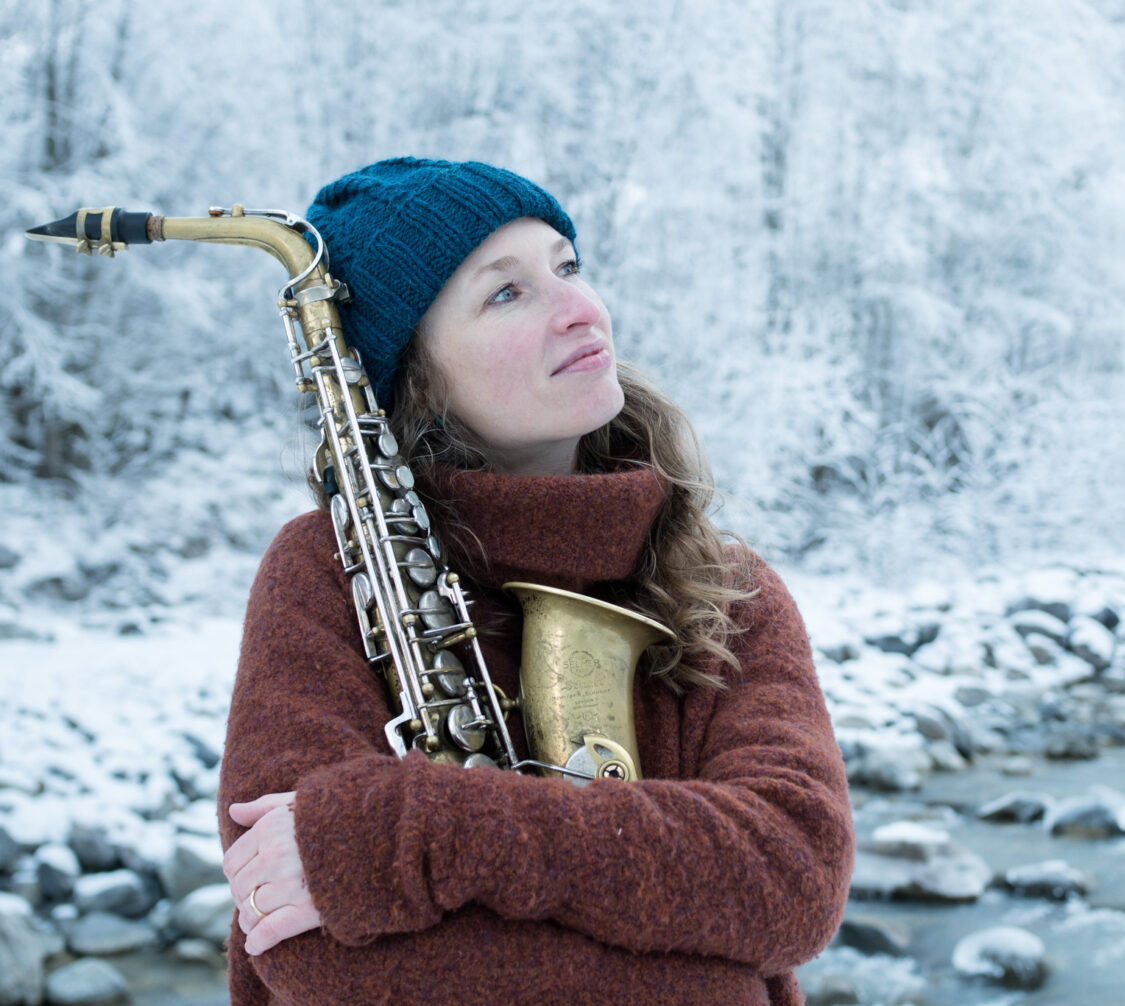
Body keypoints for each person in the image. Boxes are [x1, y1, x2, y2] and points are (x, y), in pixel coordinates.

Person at [216, 157, 854, 1005]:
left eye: (567, 267)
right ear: (413, 377)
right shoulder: (323, 571)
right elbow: (317, 957)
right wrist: (707, 966)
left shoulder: (727, 587)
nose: (581, 311)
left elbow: (794, 877)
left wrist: (415, 833)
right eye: (506, 293)